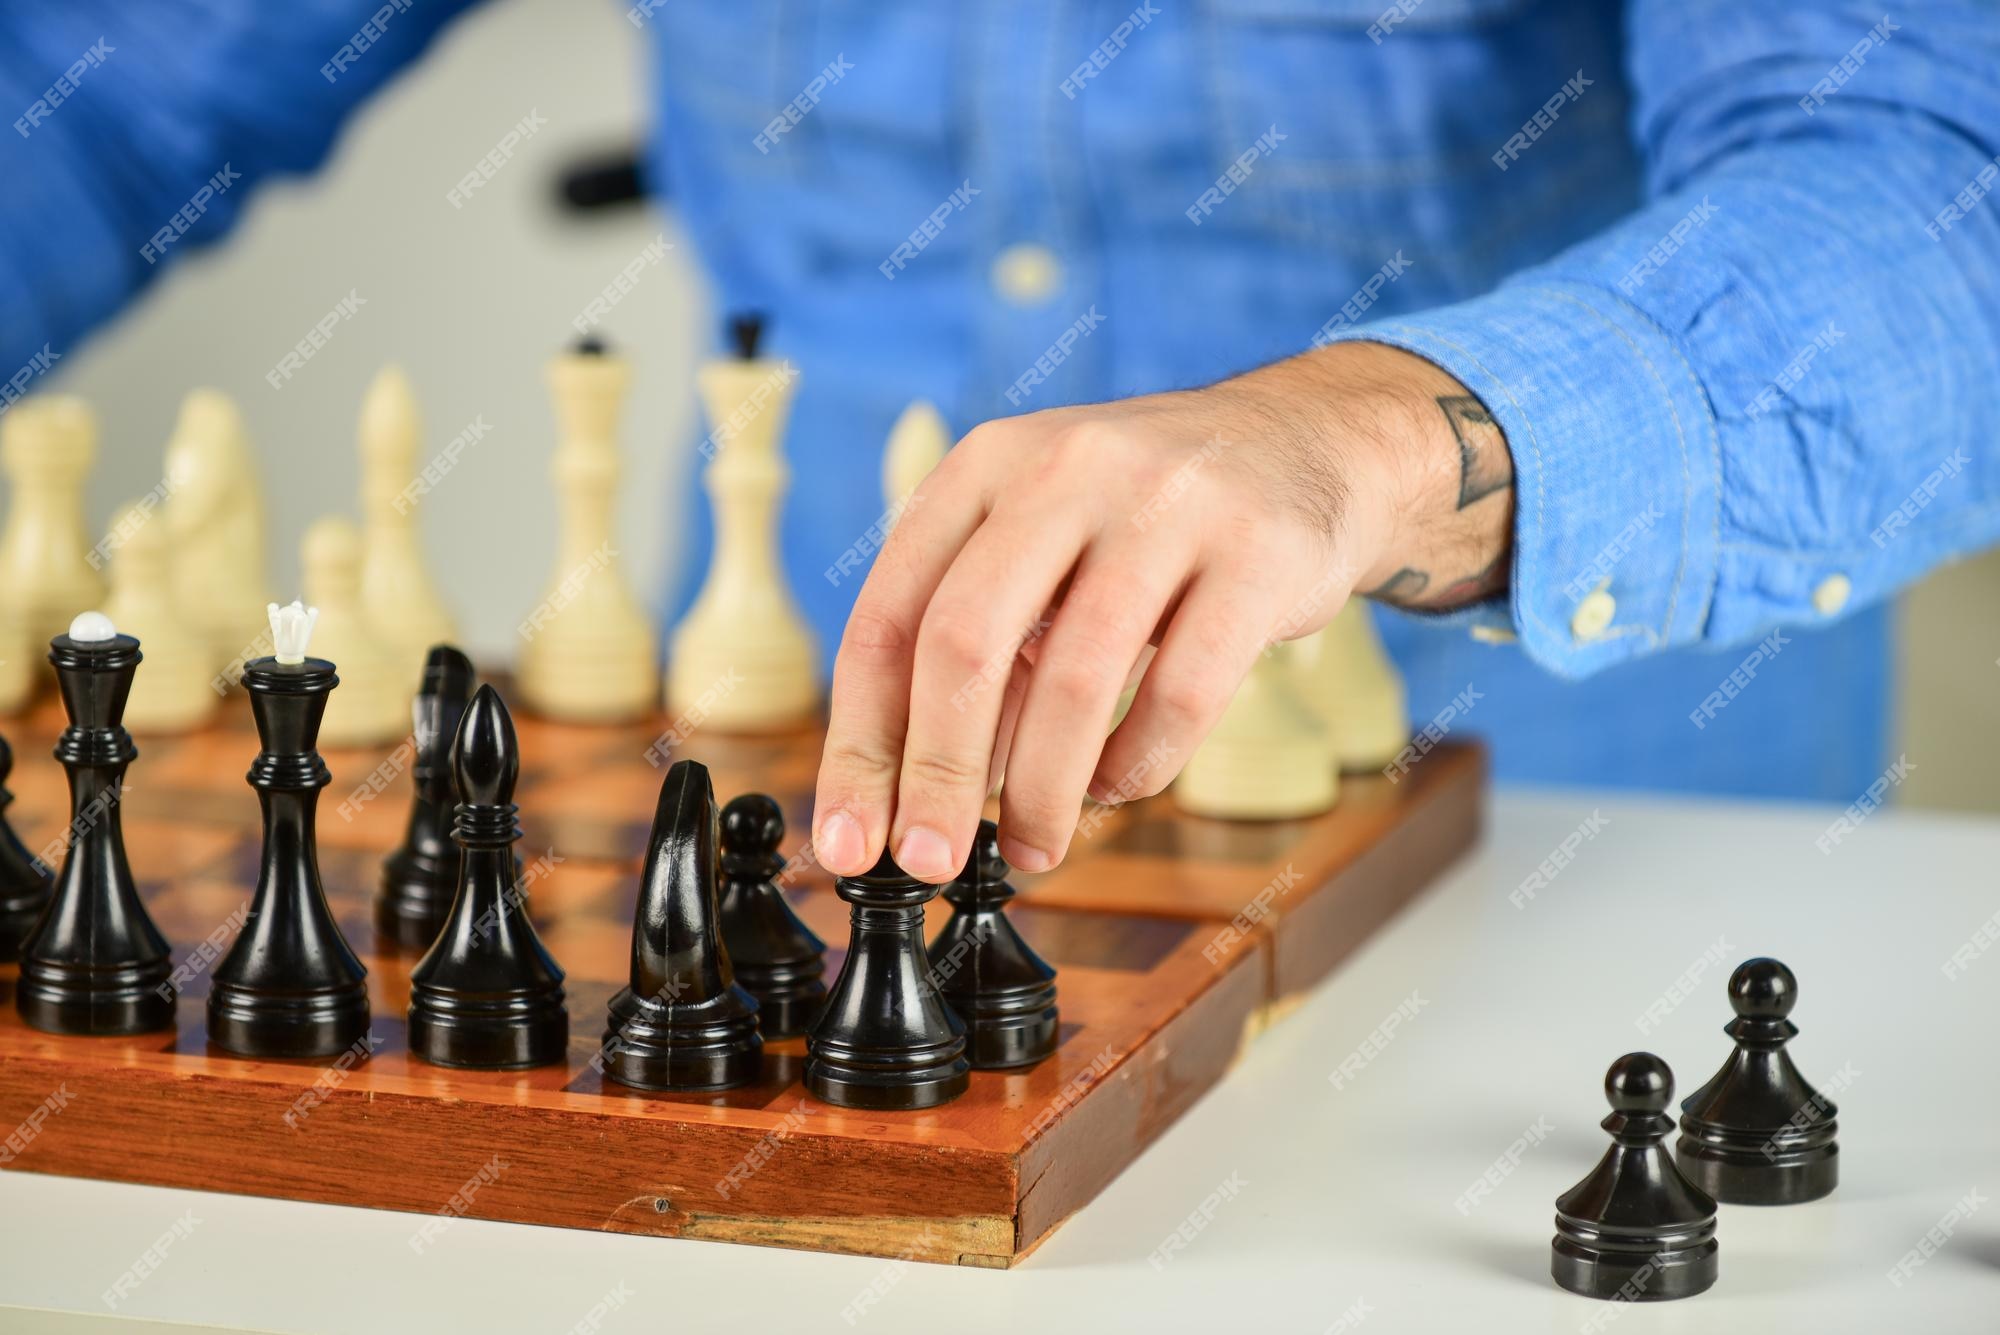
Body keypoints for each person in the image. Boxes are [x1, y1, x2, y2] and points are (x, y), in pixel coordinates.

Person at [3, 3, 1997, 886]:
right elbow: (96, 90)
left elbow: (1931, 184)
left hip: (1580, 847)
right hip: (783, 792)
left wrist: (1386, 433)